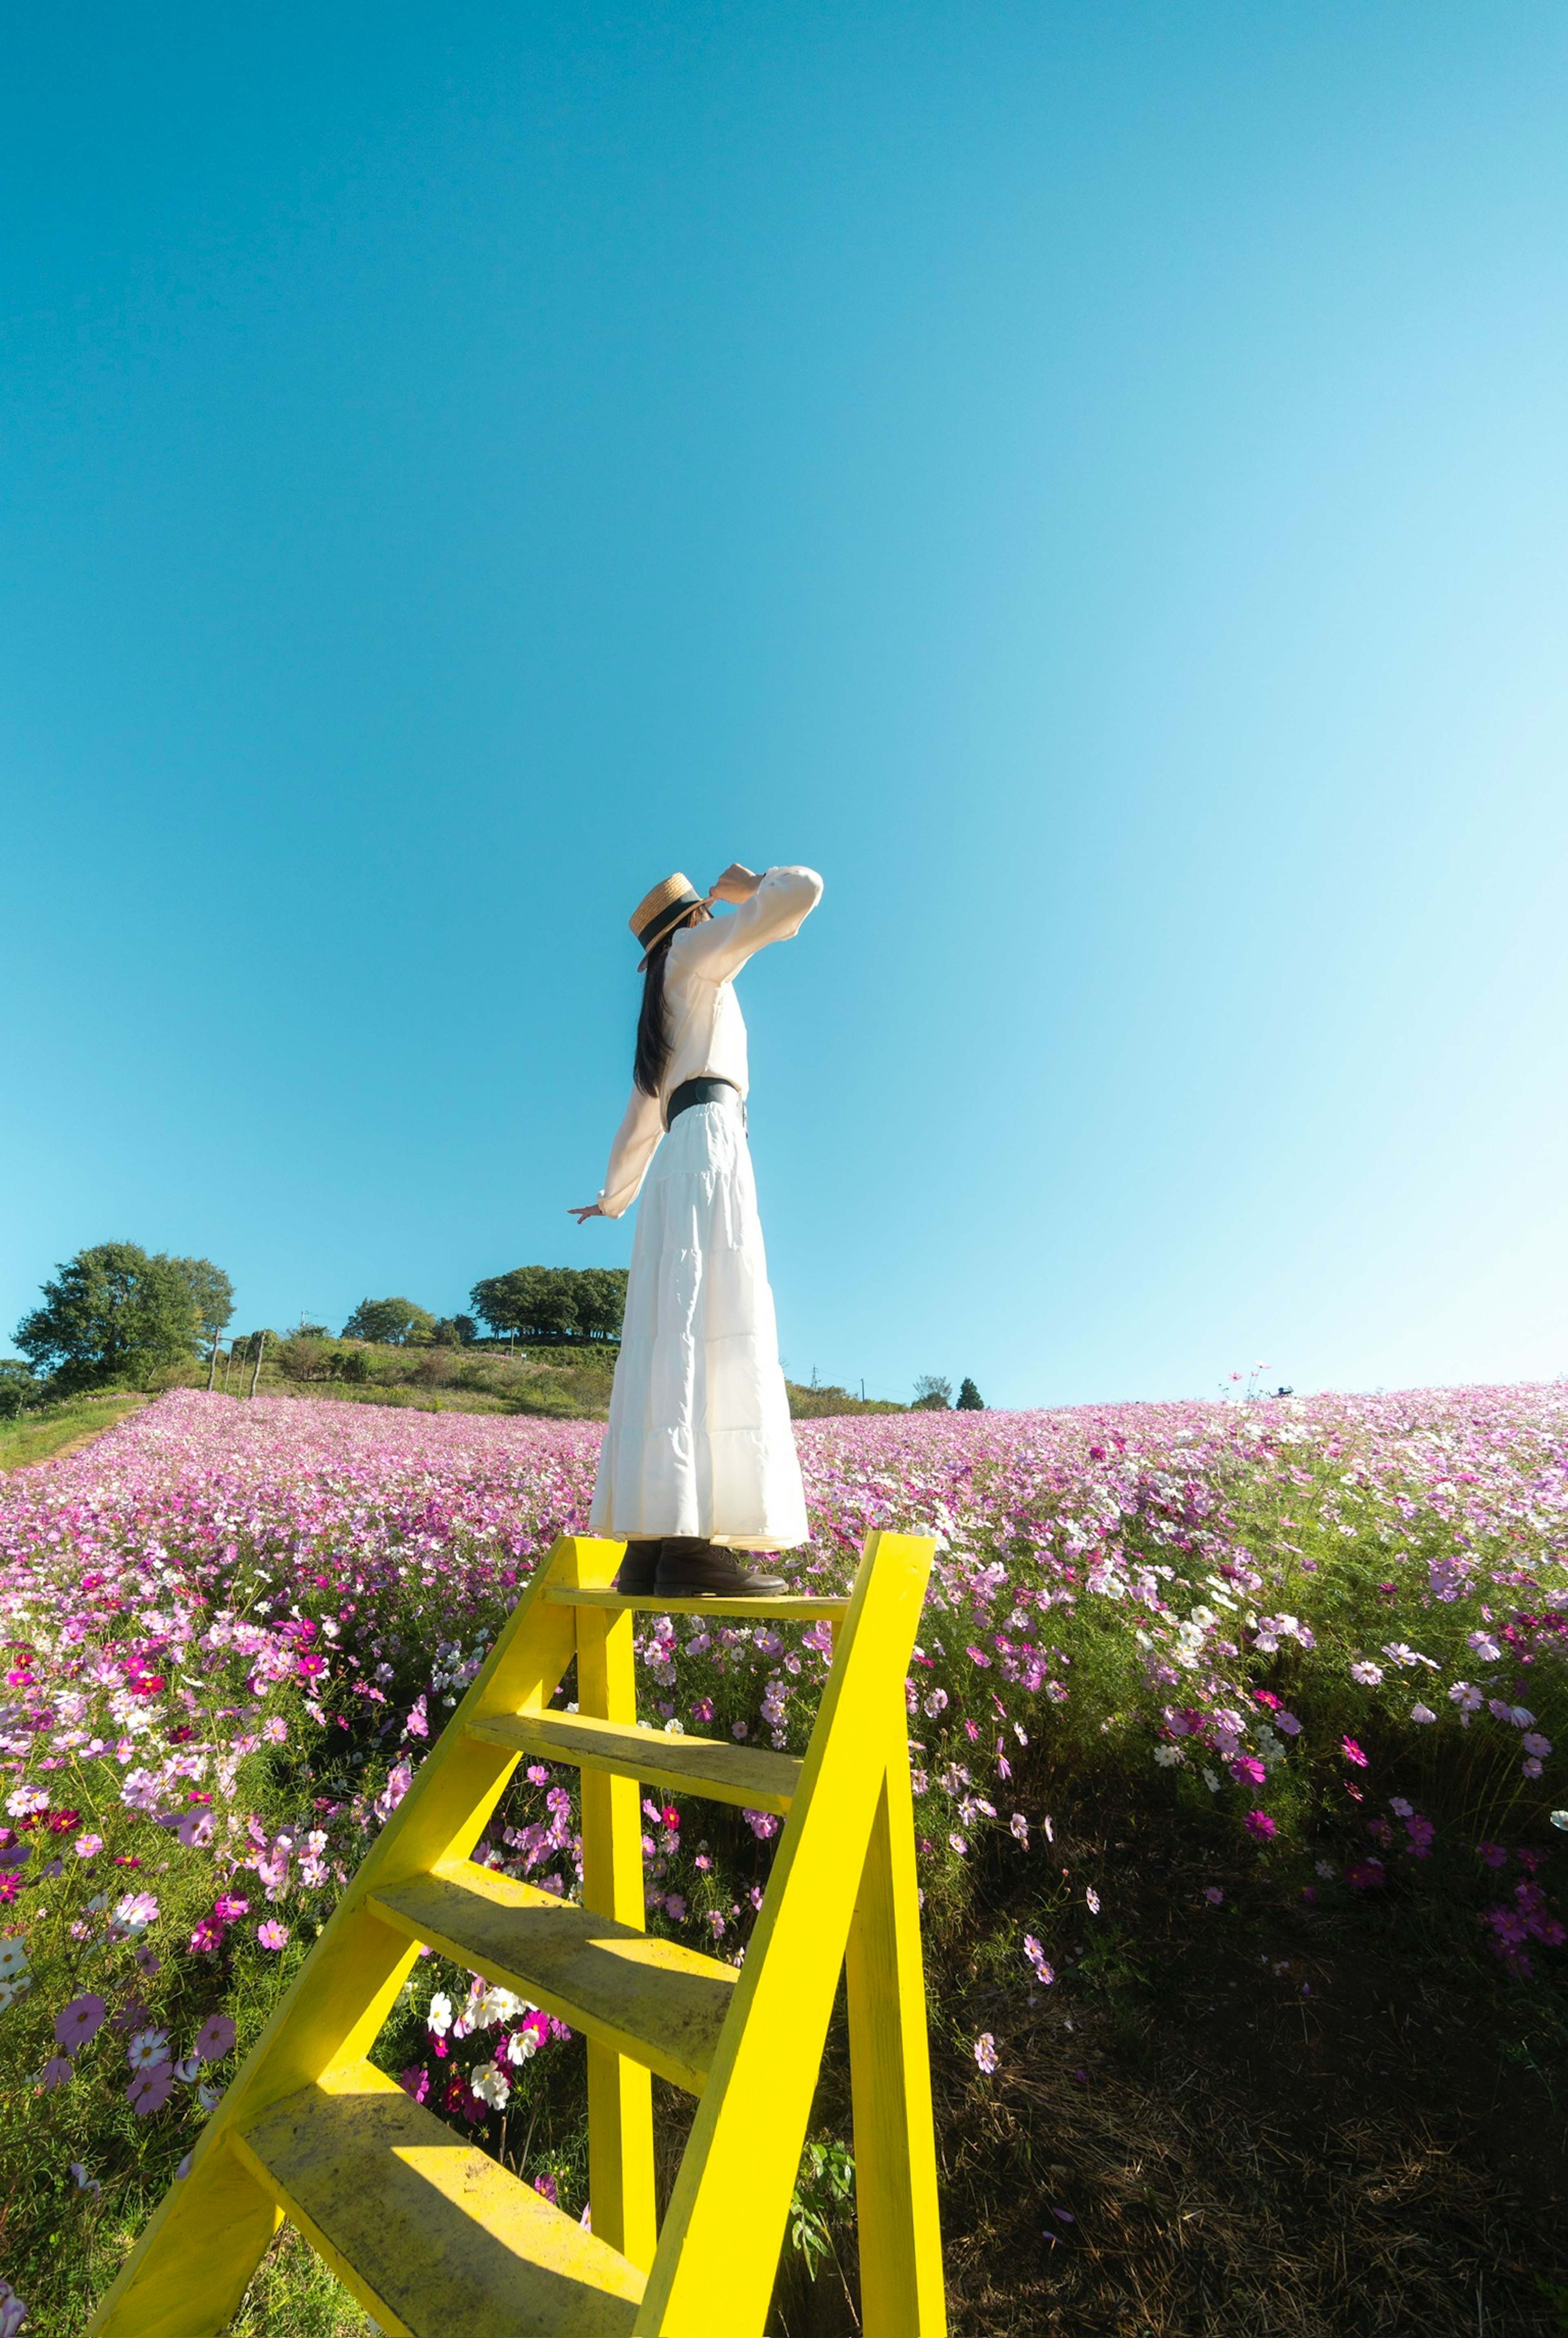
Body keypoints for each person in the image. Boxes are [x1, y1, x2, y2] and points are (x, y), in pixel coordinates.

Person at [570, 861, 822, 1596]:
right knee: (711, 1318)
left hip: (678, 1160)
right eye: (700, 915)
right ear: (685, 927)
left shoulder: (666, 999)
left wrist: (613, 1198)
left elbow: (639, 1123)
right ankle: (690, 1549)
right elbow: (801, 893)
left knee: (672, 1331)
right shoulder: (694, 955)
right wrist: (747, 885)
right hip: (712, 1144)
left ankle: (651, 1545)